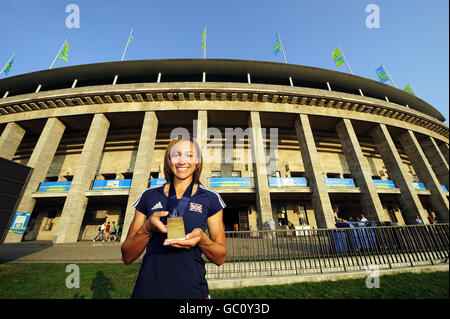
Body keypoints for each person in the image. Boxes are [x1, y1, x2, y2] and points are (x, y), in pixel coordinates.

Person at [121, 136, 227, 299]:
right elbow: (127, 256)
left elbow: (220, 257)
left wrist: (202, 239)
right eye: (176, 155)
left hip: (193, 293)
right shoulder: (148, 195)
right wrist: (147, 228)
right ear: (169, 160)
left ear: (198, 161)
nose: (182, 161)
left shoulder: (211, 198)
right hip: (148, 291)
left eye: (189, 155)